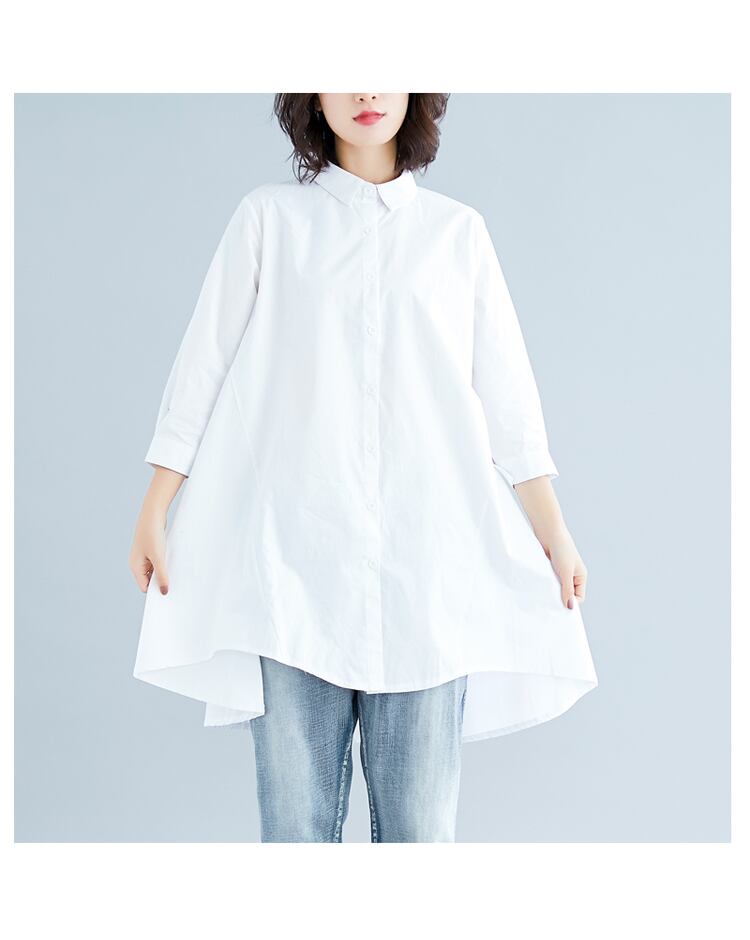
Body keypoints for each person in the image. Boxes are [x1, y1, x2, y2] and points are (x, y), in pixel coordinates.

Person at [128, 93, 599, 843]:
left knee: (419, 837)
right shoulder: (270, 221)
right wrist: (157, 506)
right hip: (291, 577)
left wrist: (555, 533)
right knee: (296, 833)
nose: (367, 92)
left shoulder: (457, 235)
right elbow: (201, 368)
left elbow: (509, 401)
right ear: (312, 94)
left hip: (429, 581)